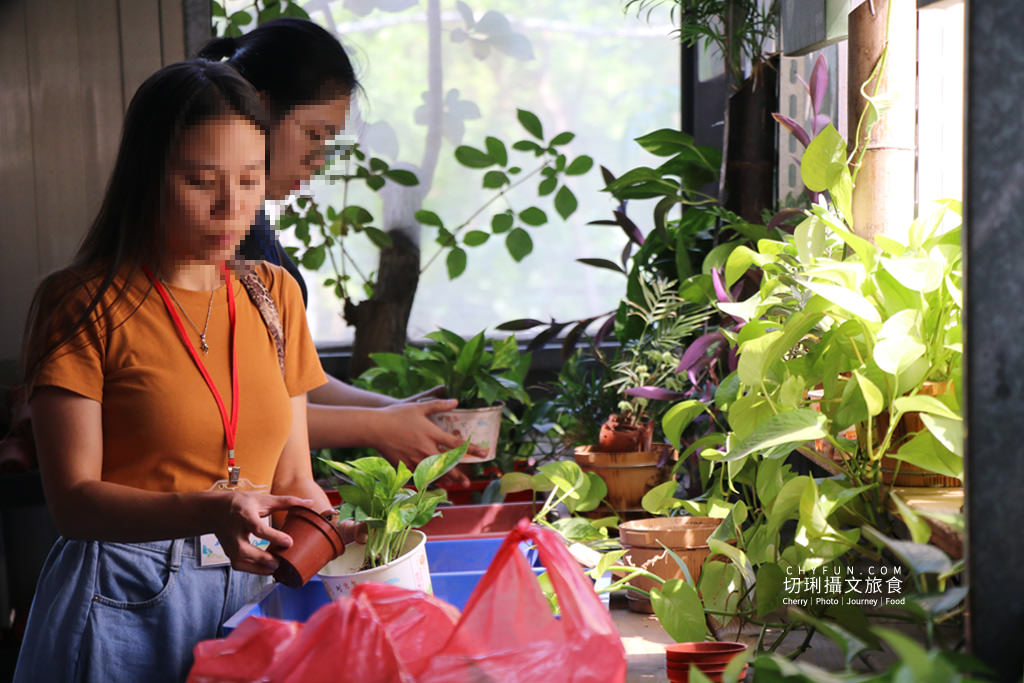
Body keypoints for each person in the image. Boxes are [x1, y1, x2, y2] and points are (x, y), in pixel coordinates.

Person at [13, 59, 359, 682]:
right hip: (123, 599)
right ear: (147, 177)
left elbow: (293, 476)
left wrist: (334, 535)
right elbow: (73, 504)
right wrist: (209, 510)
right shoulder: (83, 304)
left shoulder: (274, 296)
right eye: (202, 182)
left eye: (251, 180)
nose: (233, 207)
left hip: (252, 594)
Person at [198, 19, 476, 479]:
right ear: (260, 110)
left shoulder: (255, 230)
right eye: (313, 135)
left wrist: (395, 413)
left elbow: (287, 380)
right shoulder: (213, 239)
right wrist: (377, 424)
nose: (317, 162)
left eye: (327, 143)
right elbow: (234, 405)